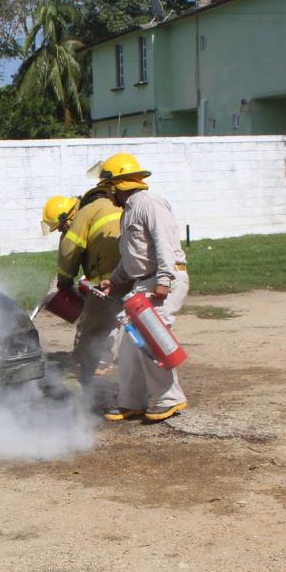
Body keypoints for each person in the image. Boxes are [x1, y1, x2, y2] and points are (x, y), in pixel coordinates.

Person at [96, 152, 190, 423]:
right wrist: (114, 279)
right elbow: (133, 256)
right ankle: (131, 401)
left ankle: (169, 399)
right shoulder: (128, 212)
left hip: (164, 280)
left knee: (152, 340)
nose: (107, 195)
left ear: (116, 185)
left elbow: (165, 244)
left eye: (108, 188)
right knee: (128, 344)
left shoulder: (150, 203)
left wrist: (163, 280)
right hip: (144, 281)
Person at [40, 186, 123, 384]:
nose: (61, 231)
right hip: (129, 272)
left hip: (108, 277)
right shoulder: (108, 205)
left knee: (91, 326)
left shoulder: (82, 216)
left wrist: (64, 282)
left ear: (66, 216)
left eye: (60, 227)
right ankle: (111, 361)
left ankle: (76, 382)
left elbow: (69, 253)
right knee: (122, 320)